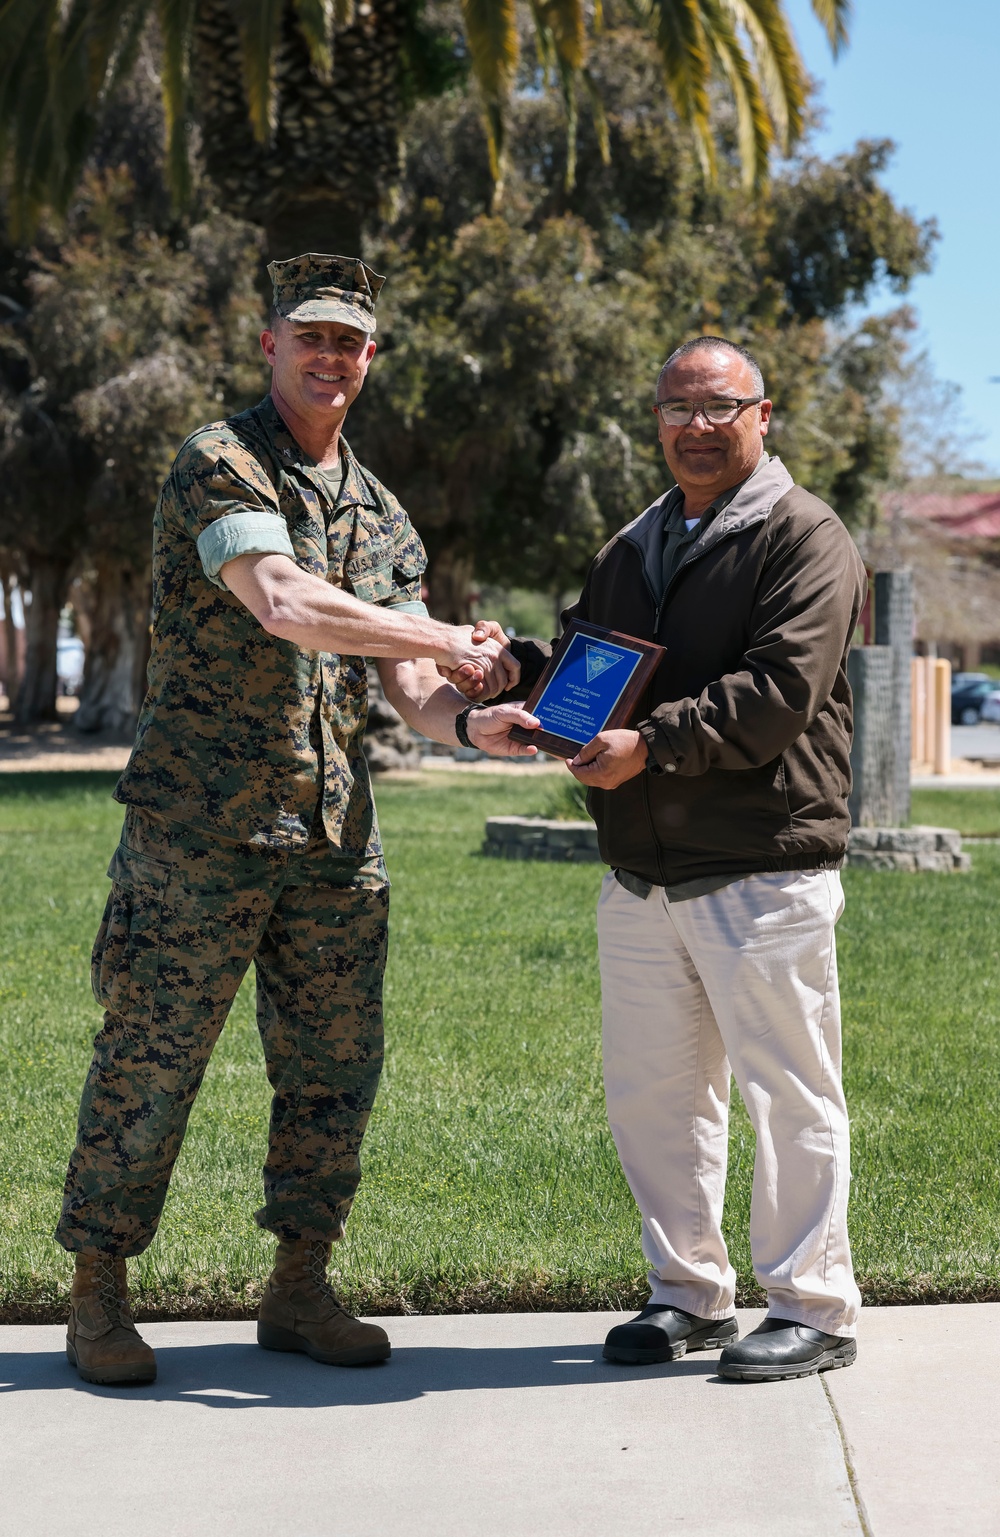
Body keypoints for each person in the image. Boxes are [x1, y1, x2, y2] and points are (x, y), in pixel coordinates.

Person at [56, 253, 536, 1386]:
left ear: (370, 360)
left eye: (349, 342)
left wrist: (473, 724)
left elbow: (410, 689)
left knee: (333, 1067)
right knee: (150, 1060)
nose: (329, 356)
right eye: (308, 336)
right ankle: (98, 1291)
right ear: (268, 345)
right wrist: (446, 639)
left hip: (333, 843)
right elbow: (283, 603)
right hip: (198, 834)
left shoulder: (378, 512)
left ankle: (299, 1285)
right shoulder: (220, 463)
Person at [495, 337, 866, 1383]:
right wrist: (512, 664)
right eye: (676, 407)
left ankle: (812, 1306)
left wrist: (647, 747)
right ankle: (688, 1294)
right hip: (643, 873)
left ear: (763, 415)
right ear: (655, 419)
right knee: (655, 1097)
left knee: (787, 1094)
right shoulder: (636, 544)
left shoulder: (804, 536)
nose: (694, 425)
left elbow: (775, 694)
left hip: (760, 865)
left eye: (718, 405)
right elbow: (588, 663)